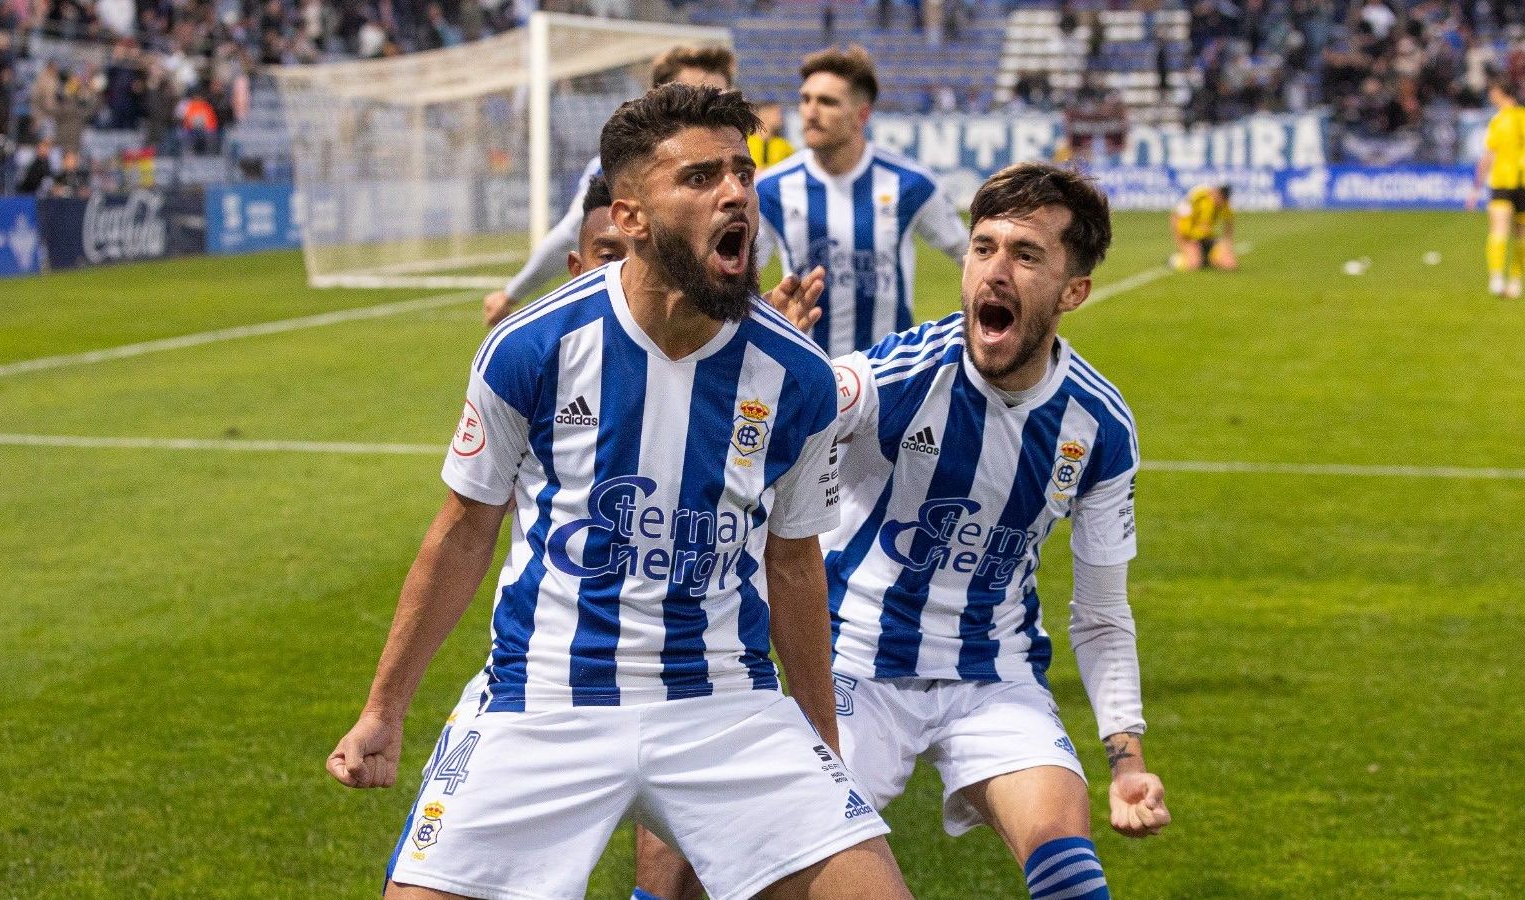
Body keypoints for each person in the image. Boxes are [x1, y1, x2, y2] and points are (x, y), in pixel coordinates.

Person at [327, 83, 914, 900]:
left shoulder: (801, 379)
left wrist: (820, 739)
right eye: (702, 176)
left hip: (727, 705)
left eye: (742, 172)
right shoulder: (530, 347)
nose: (737, 192)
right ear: (630, 217)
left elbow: (792, 563)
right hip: (542, 699)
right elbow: (463, 531)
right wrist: (384, 709)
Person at [638, 161, 1171, 900]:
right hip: (854, 667)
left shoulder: (1100, 426)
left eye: (1026, 255)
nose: (994, 271)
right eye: (984, 248)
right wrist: (775, 366)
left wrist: (1127, 759)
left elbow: (1103, 613)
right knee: (745, 854)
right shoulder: (902, 376)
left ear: (1073, 290)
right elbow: (818, 396)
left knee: (1065, 854)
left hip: (994, 676)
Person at [483, 46, 737, 327]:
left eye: (718, 101)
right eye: (691, 100)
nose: (707, 113)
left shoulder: (741, 180)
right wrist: (512, 293)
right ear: (657, 101)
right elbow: (571, 234)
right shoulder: (616, 168)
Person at [755, 45, 969, 356]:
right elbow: (737, 283)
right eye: (805, 99)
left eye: (827, 102)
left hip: (890, 380)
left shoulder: (911, 184)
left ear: (862, 115)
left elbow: (969, 256)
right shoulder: (771, 189)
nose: (811, 112)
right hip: (806, 377)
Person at [1469, 78, 1525, 298]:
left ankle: (1496, 278)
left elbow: (1488, 156)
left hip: (1503, 180)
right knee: (1521, 235)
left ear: (1502, 92)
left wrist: (1476, 187)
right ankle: (1516, 281)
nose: (1491, 96)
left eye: (1493, 91)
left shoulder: (1499, 121)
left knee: (1498, 228)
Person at [1169, 182, 1236, 272]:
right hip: (1189, 236)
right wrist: (1183, 243)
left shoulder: (1224, 203)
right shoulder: (1198, 197)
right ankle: (1175, 260)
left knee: (1230, 265)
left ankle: (1206, 259)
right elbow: (1177, 218)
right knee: (1194, 264)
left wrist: (1227, 243)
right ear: (1215, 192)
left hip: (1208, 238)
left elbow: (1229, 222)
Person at [748, 99, 795, 169]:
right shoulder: (745, 142)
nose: (781, 117)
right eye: (777, 113)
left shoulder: (785, 146)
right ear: (764, 115)